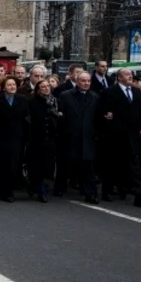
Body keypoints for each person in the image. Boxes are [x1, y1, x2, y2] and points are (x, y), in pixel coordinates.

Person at [97, 68, 141, 206]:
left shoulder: (136, 92)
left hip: (133, 136)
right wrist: (106, 116)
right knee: (112, 165)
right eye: (127, 75)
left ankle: (139, 195)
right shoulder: (109, 92)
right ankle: (107, 190)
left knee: (134, 167)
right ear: (119, 77)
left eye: (131, 74)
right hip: (115, 136)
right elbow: (102, 110)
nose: (130, 76)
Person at [57, 72, 100, 204]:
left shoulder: (94, 97)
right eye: (83, 81)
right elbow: (60, 116)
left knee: (88, 167)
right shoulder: (65, 96)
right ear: (77, 81)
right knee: (65, 164)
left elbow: (97, 117)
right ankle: (59, 187)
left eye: (88, 81)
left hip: (87, 137)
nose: (86, 83)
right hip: (70, 135)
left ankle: (90, 193)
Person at [0, 76, 29, 203]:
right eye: (9, 85)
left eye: (14, 85)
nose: (12, 87)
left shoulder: (22, 99)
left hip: (16, 136)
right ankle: (0, 189)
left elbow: (26, 118)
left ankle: (9, 191)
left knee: (13, 164)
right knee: (1, 163)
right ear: (3, 87)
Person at [27, 79, 60, 203]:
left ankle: (43, 186)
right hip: (36, 138)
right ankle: (38, 188)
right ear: (38, 89)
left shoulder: (55, 102)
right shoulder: (32, 102)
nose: (46, 88)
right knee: (37, 165)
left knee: (49, 165)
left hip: (51, 138)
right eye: (43, 87)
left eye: (48, 86)